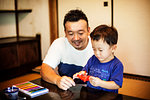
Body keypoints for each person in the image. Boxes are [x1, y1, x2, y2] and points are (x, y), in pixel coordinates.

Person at [41, 9, 93, 90]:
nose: (76, 38)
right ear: (65, 33)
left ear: (88, 31)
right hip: (66, 93)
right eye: (71, 34)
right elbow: (45, 69)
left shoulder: (97, 47)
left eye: (80, 33)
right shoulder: (59, 43)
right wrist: (57, 80)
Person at [73, 25, 124, 93]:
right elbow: (85, 71)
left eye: (100, 50)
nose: (97, 53)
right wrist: (81, 74)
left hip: (108, 96)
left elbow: (116, 85)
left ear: (113, 48)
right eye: (94, 49)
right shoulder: (93, 59)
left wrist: (100, 83)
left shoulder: (117, 65)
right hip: (91, 93)